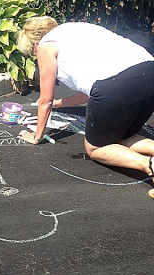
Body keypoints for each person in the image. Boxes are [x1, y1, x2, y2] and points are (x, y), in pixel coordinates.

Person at [16, 17, 154, 195]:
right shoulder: (75, 29)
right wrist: (61, 103)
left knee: (96, 148)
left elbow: (45, 100)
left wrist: (36, 136)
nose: (35, 55)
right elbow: (90, 88)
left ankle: (149, 165)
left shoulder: (45, 46)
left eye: (32, 52)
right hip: (149, 72)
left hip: (116, 85)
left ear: (34, 43)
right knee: (123, 137)